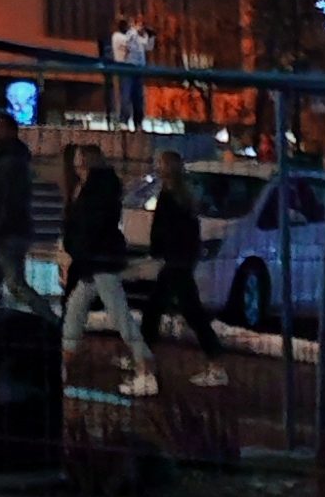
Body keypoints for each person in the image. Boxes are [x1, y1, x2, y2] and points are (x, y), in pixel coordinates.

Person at [62, 140, 157, 396]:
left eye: (80, 156)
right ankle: (63, 362)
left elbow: (92, 226)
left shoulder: (99, 188)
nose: (75, 161)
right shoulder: (87, 187)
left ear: (87, 161)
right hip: (92, 261)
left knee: (119, 315)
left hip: (99, 260)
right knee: (75, 309)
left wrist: (80, 250)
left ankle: (145, 369)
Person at [139, 150, 229, 384]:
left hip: (176, 262)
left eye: (160, 164)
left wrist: (160, 250)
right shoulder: (181, 196)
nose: (157, 167)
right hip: (179, 260)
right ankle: (143, 354)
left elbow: (167, 230)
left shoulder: (172, 197)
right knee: (161, 309)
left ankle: (216, 362)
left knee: (185, 311)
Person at [0, 111, 58, 321]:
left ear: (12, 131)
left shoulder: (11, 162)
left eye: (0, 128)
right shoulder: (4, 159)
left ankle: (50, 319)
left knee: (14, 283)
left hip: (8, 230)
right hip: (4, 229)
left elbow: (8, 199)